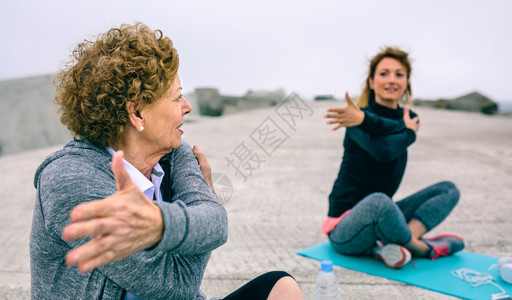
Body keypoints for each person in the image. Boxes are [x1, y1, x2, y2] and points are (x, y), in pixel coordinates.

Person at [30, 23, 303, 299]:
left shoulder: (175, 153)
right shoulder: (69, 180)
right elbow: (174, 287)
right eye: (177, 97)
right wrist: (194, 212)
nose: (187, 106)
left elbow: (216, 225)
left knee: (282, 287)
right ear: (137, 113)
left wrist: (163, 224)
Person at [322, 47, 464, 269]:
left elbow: (390, 137)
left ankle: (407, 241)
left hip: (383, 218)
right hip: (346, 227)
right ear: (371, 82)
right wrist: (407, 132)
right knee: (379, 201)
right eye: (384, 73)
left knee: (448, 189)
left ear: (407, 82)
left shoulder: (410, 117)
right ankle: (419, 248)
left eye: (399, 74)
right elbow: (384, 151)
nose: (392, 80)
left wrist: (401, 127)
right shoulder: (354, 117)